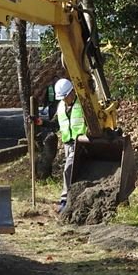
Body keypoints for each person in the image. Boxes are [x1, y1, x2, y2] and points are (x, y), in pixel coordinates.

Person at [54, 77, 86, 213]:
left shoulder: (83, 103)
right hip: (68, 144)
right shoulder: (61, 106)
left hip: (80, 143)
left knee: (68, 169)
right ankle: (76, 198)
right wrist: (39, 122)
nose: (64, 100)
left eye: (65, 97)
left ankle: (65, 200)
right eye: (62, 98)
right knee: (74, 172)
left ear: (72, 92)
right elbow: (56, 122)